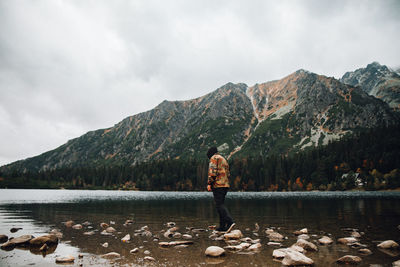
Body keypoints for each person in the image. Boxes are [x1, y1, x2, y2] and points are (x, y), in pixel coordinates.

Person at [207, 146, 235, 232]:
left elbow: (212, 172)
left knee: (219, 205)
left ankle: (230, 221)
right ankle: (222, 226)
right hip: (225, 185)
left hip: (218, 185)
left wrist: (209, 184)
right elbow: (228, 173)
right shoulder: (223, 159)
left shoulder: (214, 158)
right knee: (221, 204)